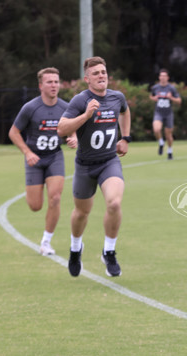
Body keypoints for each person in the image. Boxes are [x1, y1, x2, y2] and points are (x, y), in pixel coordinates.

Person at [57, 56, 132, 278]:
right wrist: (86, 115)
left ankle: (109, 251)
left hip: (109, 162)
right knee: (81, 213)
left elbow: (125, 111)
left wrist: (125, 137)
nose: (102, 76)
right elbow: (61, 128)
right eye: (96, 73)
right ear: (87, 78)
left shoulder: (116, 97)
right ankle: (75, 248)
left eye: (104, 72)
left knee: (114, 203)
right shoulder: (80, 100)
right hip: (85, 166)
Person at [8, 67, 78, 256]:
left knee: (55, 197)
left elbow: (74, 128)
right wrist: (27, 152)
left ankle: (46, 242)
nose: (54, 85)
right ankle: (34, 188)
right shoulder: (30, 108)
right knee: (35, 206)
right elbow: (13, 132)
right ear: (41, 86)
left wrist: (74, 137)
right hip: (35, 160)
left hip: (55, 156)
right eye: (49, 82)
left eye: (56, 81)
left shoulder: (66, 108)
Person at [149, 68, 181, 159]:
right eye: (161, 76)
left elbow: (179, 101)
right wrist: (153, 98)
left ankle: (170, 151)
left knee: (168, 135)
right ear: (159, 77)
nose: (162, 78)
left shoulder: (171, 88)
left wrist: (171, 98)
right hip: (158, 112)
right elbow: (151, 96)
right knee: (156, 129)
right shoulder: (155, 87)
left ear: (168, 77)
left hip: (168, 114)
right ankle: (161, 142)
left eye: (164, 76)